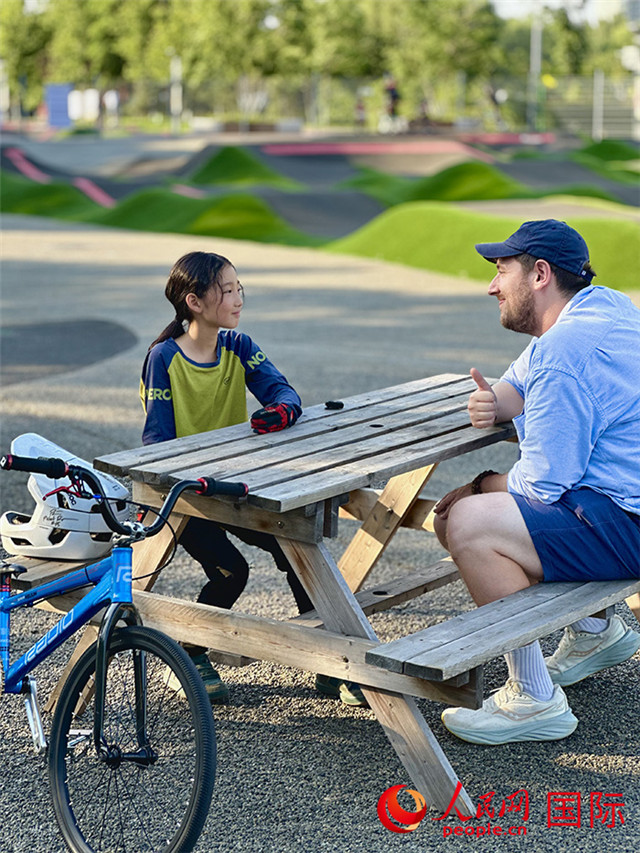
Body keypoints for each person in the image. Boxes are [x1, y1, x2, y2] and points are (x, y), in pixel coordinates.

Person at [432, 219, 640, 745]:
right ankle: (595, 632)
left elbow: (541, 485)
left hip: (629, 522)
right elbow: (520, 381)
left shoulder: (563, 352)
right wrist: (496, 399)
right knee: (498, 508)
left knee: (470, 522)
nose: (492, 286)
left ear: (540, 274)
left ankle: (532, 698)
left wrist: (479, 486)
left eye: (503, 271)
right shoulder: (605, 308)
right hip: (622, 503)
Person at [141, 251, 366, 706]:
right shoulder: (163, 358)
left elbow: (282, 390)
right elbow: (156, 444)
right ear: (195, 301)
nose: (238, 297)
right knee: (232, 572)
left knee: (295, 542)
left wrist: (282, 410)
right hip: (188, 496)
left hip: (238, 486)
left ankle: (327, 659)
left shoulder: (239, 346)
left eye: (239, 287)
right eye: (227, 290)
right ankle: (190, 654)